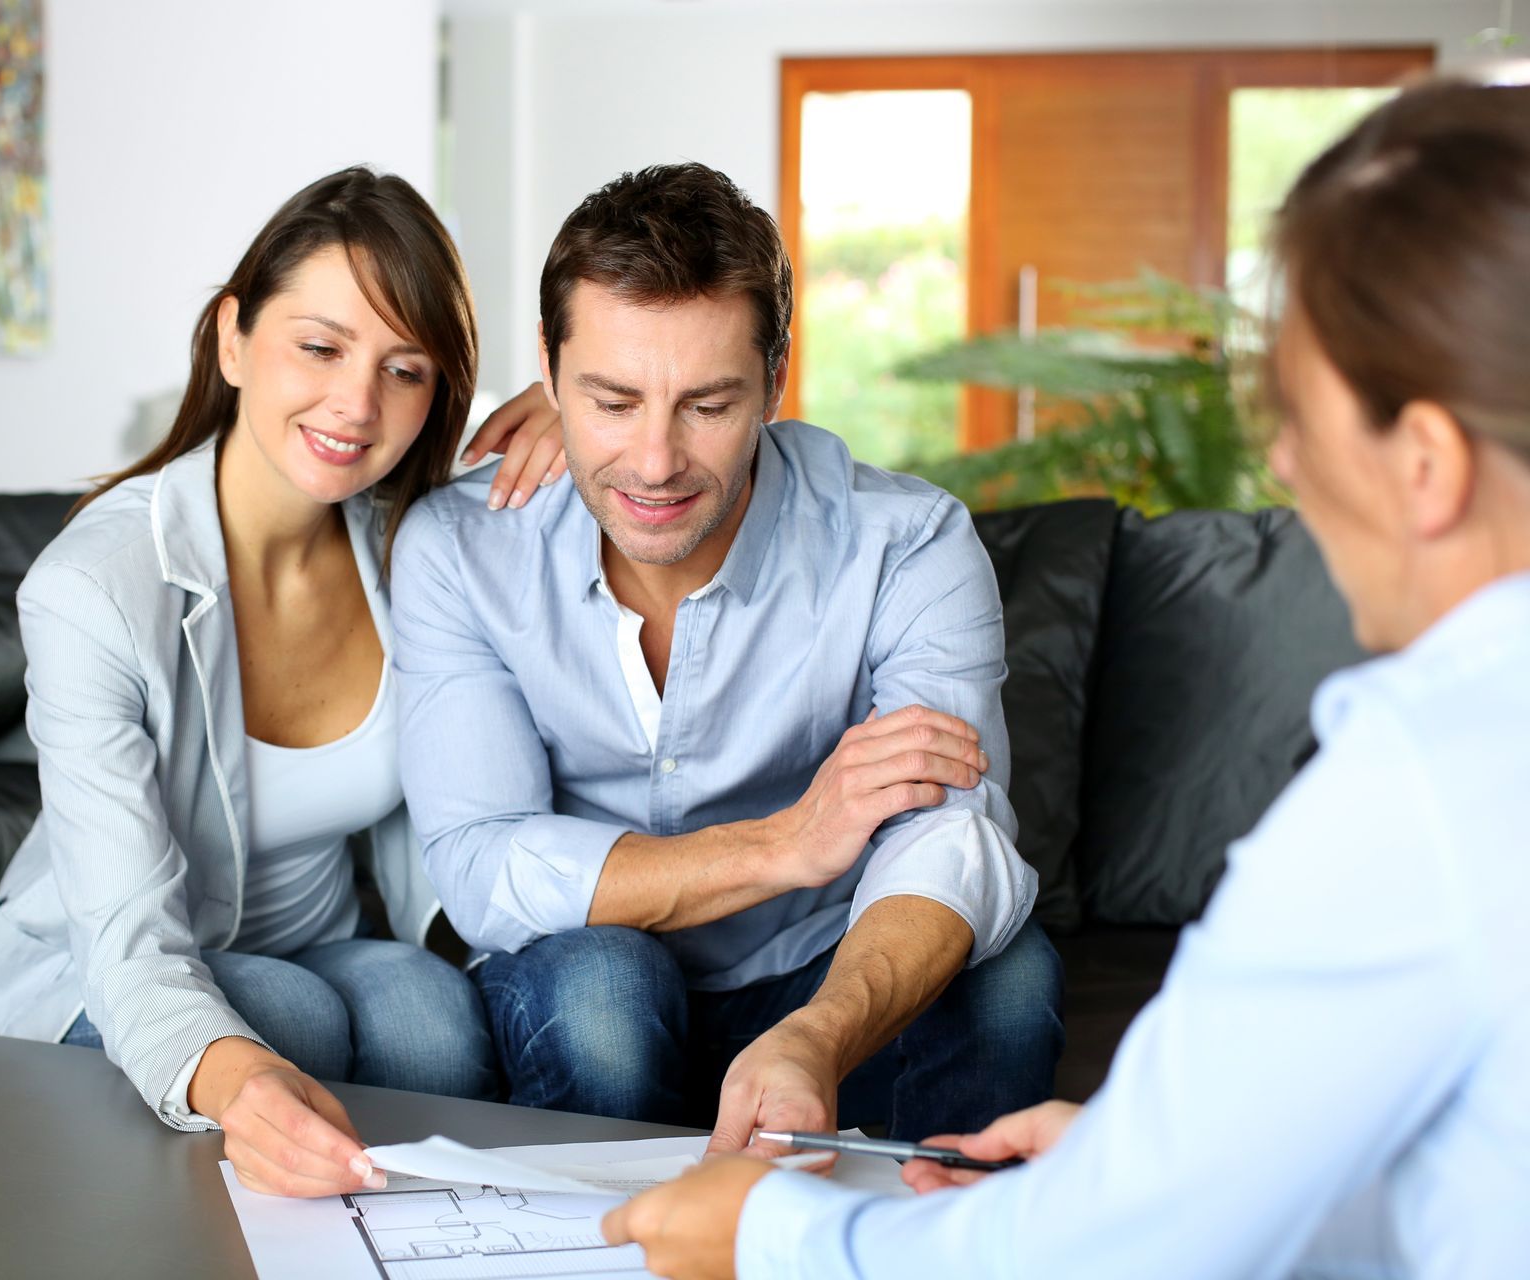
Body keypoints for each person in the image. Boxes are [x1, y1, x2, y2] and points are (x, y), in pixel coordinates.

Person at [601, 79, 1530, 1279]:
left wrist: (770, 1233)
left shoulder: (1423, 787)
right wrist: (1149, 1163)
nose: (1286, 464)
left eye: (1300, 413)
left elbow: (1115, 1256)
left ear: (1426, 463)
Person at [0, 167, 567, 1199]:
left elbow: (634, 464)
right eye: (320, 347)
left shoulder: (411, 538)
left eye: (404, 369)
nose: (357, 404)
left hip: (322, 945)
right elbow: (127, 940)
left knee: (432, 1020)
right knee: (284, 1020)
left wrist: (574, 409)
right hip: (113, 967)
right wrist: (240, 1077)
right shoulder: (93, 588)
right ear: (233, 339)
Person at [390, 162, 1063, 1151]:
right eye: (613, 400)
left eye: (706, 405)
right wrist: (785, 842)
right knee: (604, 989)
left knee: (1008, 979)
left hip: (822, 964)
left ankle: (927, 1229)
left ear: (776, 379)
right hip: (593, 973)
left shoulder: (906, 542)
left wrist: (820, 1036)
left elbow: (952, 837)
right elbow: (482, 859)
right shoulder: (462, 547)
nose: (655, 462)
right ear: (548, 366)